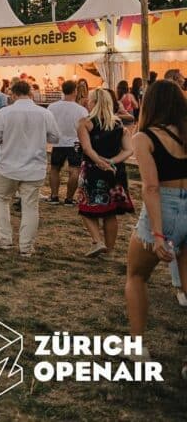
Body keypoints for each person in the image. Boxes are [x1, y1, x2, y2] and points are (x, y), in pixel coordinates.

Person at [125, 80, 187, 361]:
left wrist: (159, 234)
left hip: (166, 206)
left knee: (137, 276)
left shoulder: (144, 137)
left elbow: (150, 187)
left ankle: (138, 348)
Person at [0, 80, 60, 256]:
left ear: (12, 94)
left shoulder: (5, 113)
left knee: (1, 199)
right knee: (30, 206)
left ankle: (4, 238)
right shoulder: (44, 113)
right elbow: (55, 137)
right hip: (34, 167)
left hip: (7, 166)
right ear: (31, 93)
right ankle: (26, 246)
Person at [76, 88, 134, 256]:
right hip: (115, 172)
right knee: (110, 212)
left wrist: (99, 161)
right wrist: (111, 162)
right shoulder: (119, 125)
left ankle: (97, 241)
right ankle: (109, 250)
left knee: (86, 207)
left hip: (93, 170)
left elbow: (86, 148)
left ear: (93, 102)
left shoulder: (85, 122)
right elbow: (129, 150)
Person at [46, 80, 89, 206]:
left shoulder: (52, 107)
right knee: (74, 170)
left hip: (58, 141)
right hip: (75, 142)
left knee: (54, 169)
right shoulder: (80, 110)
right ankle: (69, 198)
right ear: (75, 91)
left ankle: (54, 196)